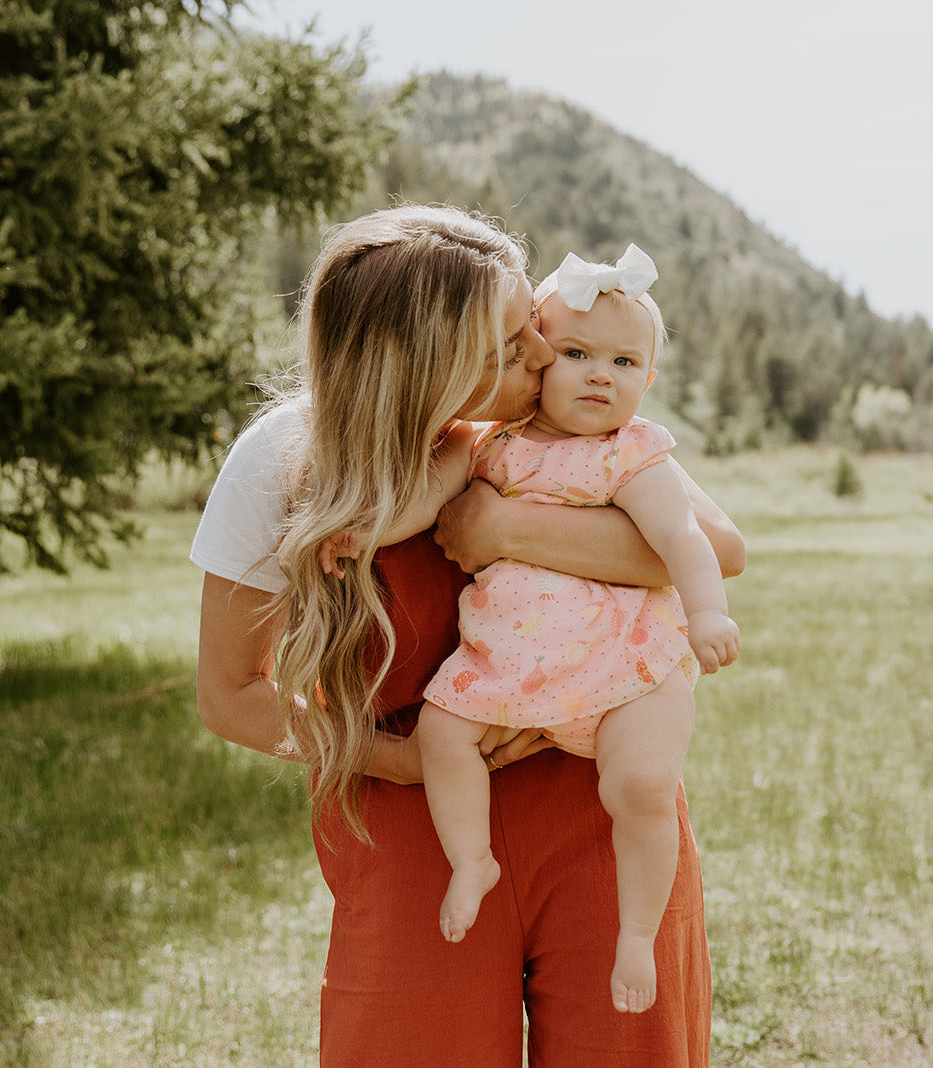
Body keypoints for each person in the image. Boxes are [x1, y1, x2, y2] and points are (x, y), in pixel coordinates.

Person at [190, 204, 745, 1065]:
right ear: (421, 366)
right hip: (414, 818)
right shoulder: (285, 458)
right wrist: (396, 760)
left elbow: (714, 550)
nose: (541, 353)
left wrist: (500, 532)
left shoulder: (562, 424)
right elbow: (231, 698)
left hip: (598, 796)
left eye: (531, 325)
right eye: (508, 346)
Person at [317, 244, 740, 1015]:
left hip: (623, 661)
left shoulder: (633, 453)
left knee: (642, 783)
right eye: (574, 353)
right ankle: (471, 859)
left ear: (647, 381)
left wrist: (707, 612)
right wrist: (363, 531)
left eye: (622, 361)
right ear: (538, 357)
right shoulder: (487, 443)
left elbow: (686, 538)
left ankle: (638, 935)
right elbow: (424, 501)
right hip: (510, 662)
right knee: (444, 734)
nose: (597, 374)